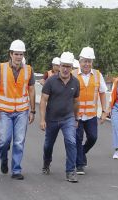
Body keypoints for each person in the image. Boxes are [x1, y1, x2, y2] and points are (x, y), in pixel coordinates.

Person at [0, 39, 36, 180]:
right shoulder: (1, 68)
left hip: (22, 111)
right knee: (4, 141)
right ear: (11, 54)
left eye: (21, 54)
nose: (19, 57)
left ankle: (16, 169)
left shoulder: (28, 70)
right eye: (16, 54)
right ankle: (4, 159)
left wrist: (32, 111)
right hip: (4, 110)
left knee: (19, 141)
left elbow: (32, 90)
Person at [39, 51, 81, 183]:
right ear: (59, 65)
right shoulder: (51, 81)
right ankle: (46, 163)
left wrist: (76, 118)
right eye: (63, 65)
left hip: (67, 118)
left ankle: (70, 171)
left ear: (72, 68)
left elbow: (76, 101)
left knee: (71, 141)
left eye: (68, 66)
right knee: (48, 145)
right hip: (52, 119)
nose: (65, 69)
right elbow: (43, 100)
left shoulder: (75, 82)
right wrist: (42, 119)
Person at [74, 47, 108, 175]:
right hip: (76, 115)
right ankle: (79, 164)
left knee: (93, 137)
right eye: (85, 61)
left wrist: (104, 111)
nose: (87, 64)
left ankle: (82, 152)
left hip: (91, 115)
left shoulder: (98, 75)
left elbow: (103, 93)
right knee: (77, 138)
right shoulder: (73, 74)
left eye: (89, 61)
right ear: (80, 61)